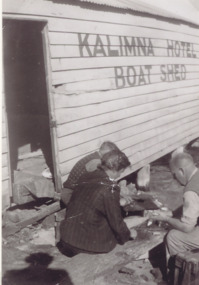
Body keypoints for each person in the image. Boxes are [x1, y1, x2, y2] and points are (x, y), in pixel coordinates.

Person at [59, 150, 137, 257]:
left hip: (67, 236)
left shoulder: (86, 176)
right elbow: (116, 222)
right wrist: (128, 235)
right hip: (86, 244)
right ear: (117, 170)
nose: (119, 175)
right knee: (115, 229)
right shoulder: (110, 188)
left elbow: (91, 201)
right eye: (121, 172)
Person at [151, 152, 199, 257]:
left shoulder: (190, 191)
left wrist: (165, 219)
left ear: (181, 171)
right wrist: (172, 213)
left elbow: (187, 228)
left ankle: (179, 271)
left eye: (174, 174)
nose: (174, 178)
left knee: (173, 236)